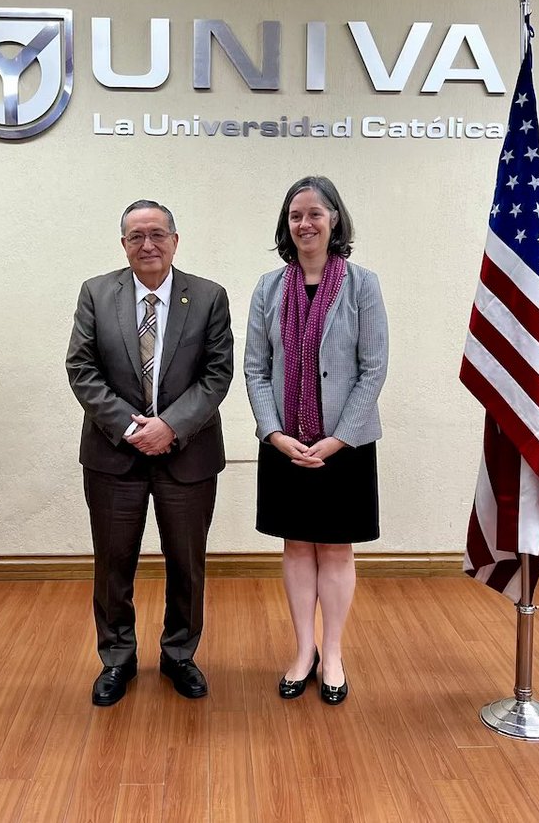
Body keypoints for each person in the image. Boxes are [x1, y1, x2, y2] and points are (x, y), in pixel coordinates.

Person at [66, 199, 234, 707]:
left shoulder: (208, 297)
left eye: (157, 234)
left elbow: (217, 374)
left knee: (187, 564)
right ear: (124, 245)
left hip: (187, 454)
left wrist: (170, 427)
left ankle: (179, 654)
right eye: (136, 236)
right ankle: (117, 658)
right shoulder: (97, 293)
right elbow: (81, 369)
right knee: (113, 564)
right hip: (113, 455)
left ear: (175, 241)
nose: (148, 244)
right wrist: (129, 427)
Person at [244, 175, 388, 705]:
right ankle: (303, 651)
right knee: (297, 547)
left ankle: (333, 654)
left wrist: (338, 439)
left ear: (334, 220)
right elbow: (256, 369)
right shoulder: (268, 288)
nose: (304, 223)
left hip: (344, 446)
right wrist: (274, 434)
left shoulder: (362, 285)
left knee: (336, 549)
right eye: (295, 215)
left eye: (314, 214)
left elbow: (373, 369)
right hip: (284, 444)